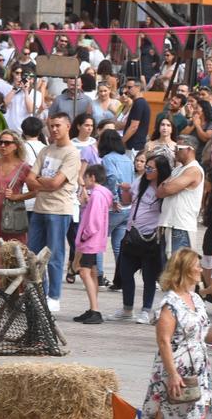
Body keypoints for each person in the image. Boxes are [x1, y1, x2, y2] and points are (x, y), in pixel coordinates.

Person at [141, 248, 212, 419]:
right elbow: (163, 341)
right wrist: (173, 374)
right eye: (197, 266)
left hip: (198, 369)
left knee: (196, 416)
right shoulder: (170, 303)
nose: (201, 269)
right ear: (185, 269)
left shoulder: (196, 299)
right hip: (177, 369)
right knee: (169, 415)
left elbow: (202, 334)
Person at [24, 112, 82, 312]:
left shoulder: (72, 153)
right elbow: (29, 180)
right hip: (39, 207)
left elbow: (55, 183)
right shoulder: (45, 150)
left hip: (59, 209)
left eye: (58, 125)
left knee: (55, 254)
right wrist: (44, 183)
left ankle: (54, 296)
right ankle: (39, 292)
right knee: (33, 254)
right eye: (51, 126)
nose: (54, 129)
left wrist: (40, 181)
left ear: (68, 126)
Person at [114, 155, 170, 323]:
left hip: (150, 237)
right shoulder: (140, 181)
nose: (147, 170)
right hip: (131, 233)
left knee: (149, 276)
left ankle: (146, 310)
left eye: (151, 168)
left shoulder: (165, 188)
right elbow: (127, 201)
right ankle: (127, 308)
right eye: (147, 167)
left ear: (160, 170)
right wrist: (125, 190)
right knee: (125, 272)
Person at [0, 130, 33, 266]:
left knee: (14, 246)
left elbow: (36, 191)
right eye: (0, 142)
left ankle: (16, 278)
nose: (3, 145)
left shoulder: (24, 167)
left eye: (7, 143)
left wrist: (17, 196)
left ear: (16, 145)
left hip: (13, 212)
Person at [73, 164, 112, 324]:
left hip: (90, 240)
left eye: (86, 177)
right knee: (93, 272)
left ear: (92, 177)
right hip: (96, 240)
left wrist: (84, 235)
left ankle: (95, 310)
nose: (84, 180)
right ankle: (92, 308)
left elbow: (94, 220)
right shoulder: (102, 194)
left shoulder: (96, 195)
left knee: (84, 272)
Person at [98, 129, 135, 286]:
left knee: (99, 241)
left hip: (113, 207)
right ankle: (121, 279)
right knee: (119, 246)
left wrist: (113, 198)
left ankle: (99, 275)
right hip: (127, 206)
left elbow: (112, 177)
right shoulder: (127, 159)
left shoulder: (107, 158)